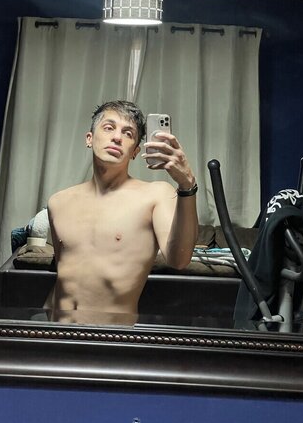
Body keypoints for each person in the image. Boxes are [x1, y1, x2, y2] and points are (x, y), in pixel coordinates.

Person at [47, 100, 198, 324]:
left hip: (112, 336)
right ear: (89, 138)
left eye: (128, 133)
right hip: (56, 331)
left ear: (135, 151)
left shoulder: (155, 195)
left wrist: (187, 185)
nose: (117, 137)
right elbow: (67, 276)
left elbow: (180, 259)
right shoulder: (59, 202)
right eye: (109, 128)